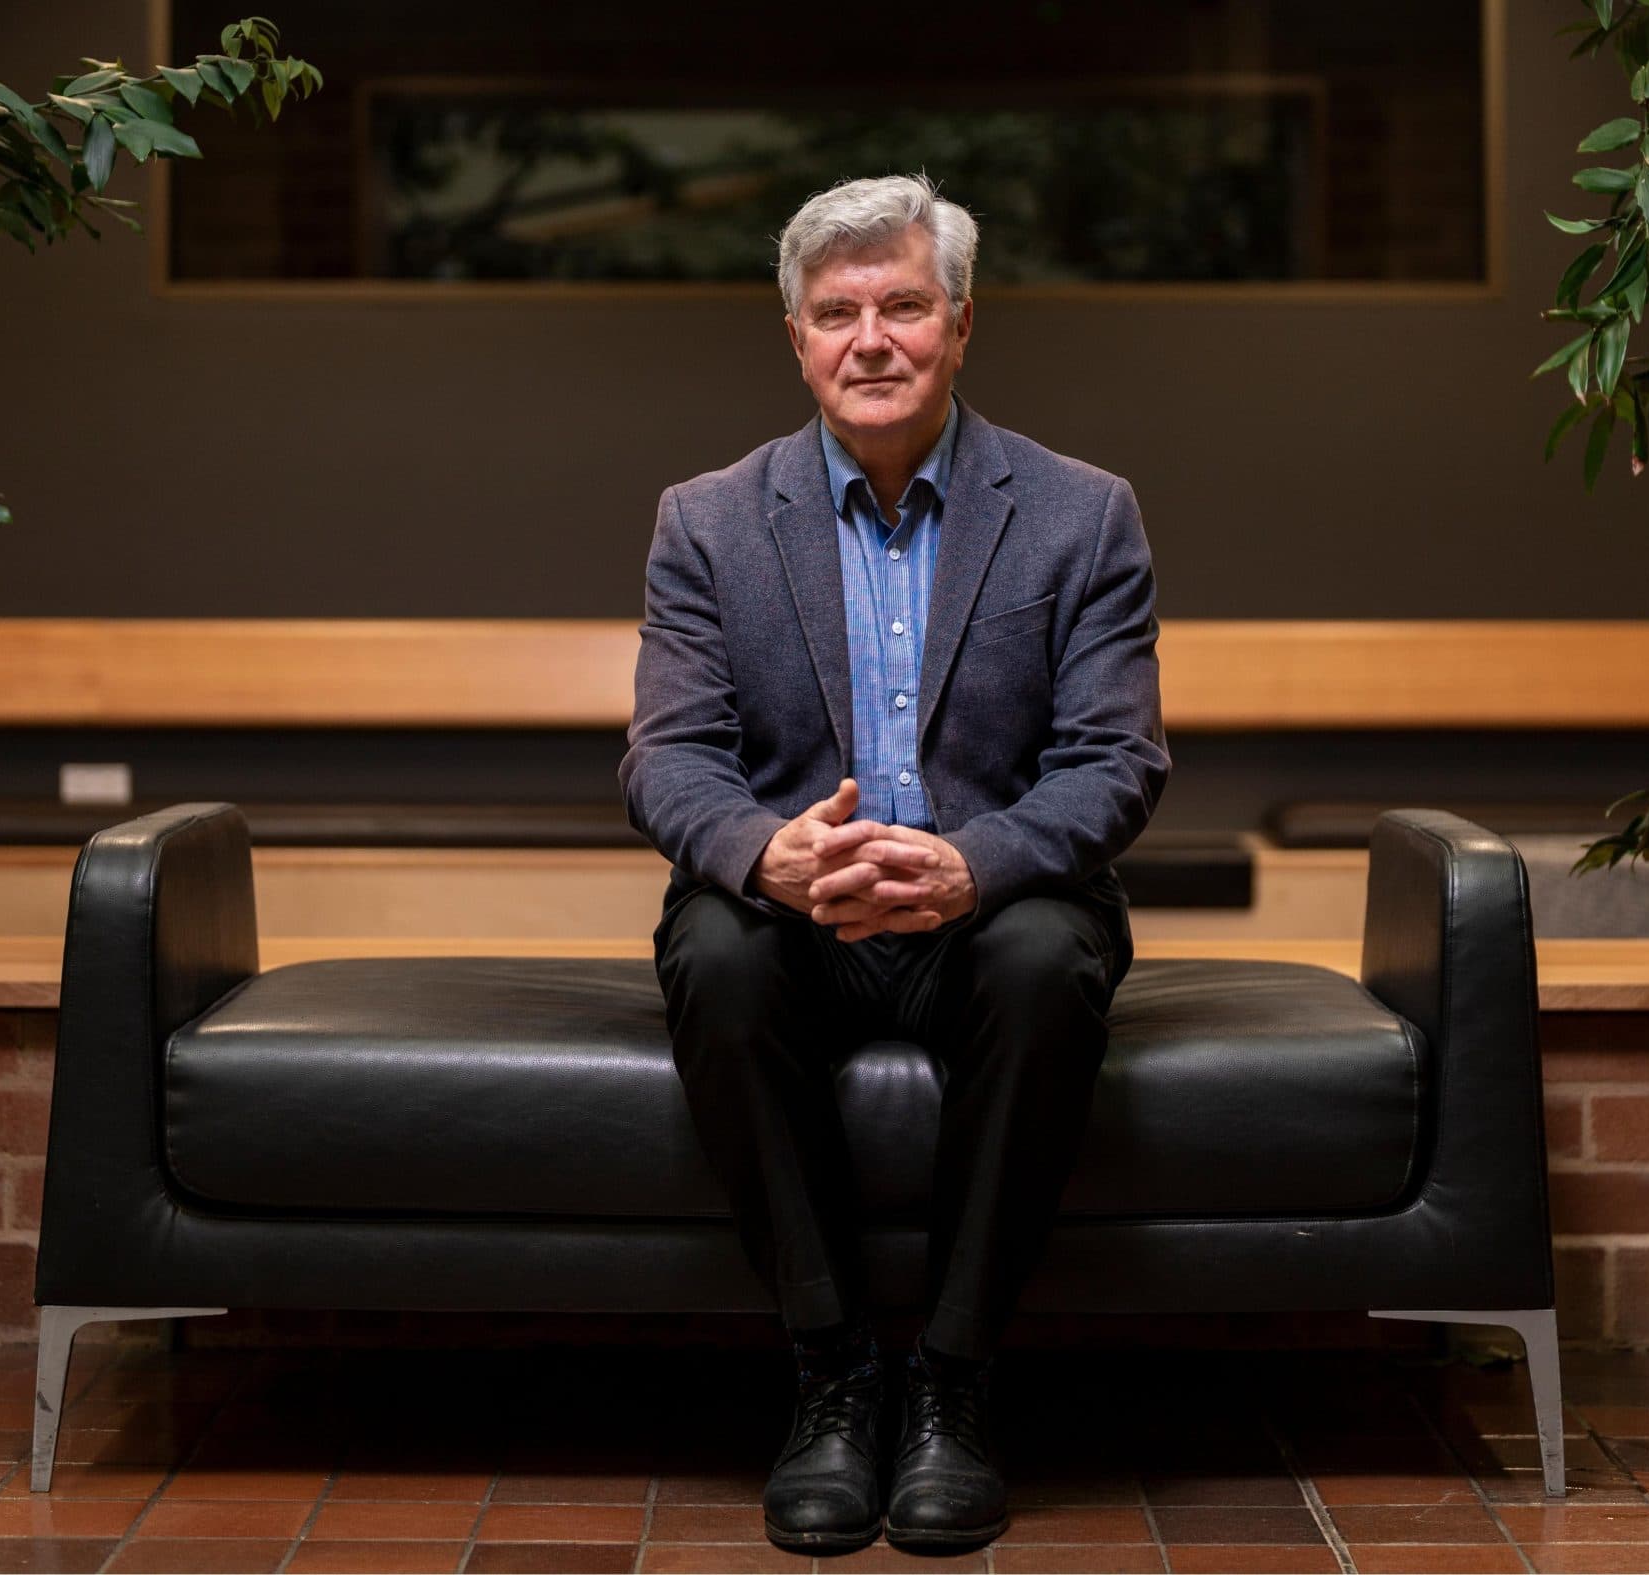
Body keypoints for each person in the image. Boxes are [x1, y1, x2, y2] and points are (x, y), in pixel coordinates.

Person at [619, 172, 1168, 1555]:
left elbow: (1117, 763)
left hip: (994, 913)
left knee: (1049, 952)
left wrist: (972, 867)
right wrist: (769, 854)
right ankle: (832, 1372)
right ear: (797, 339)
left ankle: (956, 1385)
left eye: (903, 307)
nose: (871, 339)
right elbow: (667, 761)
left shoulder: (1081, 512)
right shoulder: (708, 520)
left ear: (962, 325)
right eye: (836, 312)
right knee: (711, 945)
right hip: (799, 920)